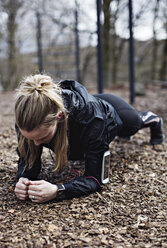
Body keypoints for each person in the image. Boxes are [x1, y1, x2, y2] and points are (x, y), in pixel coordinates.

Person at [14, 74, 164, 203]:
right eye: (30, 138)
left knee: (133, 125)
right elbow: (28, 162)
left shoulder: (93, 119)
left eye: (43, 137)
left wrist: (58, 190)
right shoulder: (28, 118)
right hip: (80, 113)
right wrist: (23, 178)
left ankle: (152, 119)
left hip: (112, 113)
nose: (36, 143)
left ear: (59, 117)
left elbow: (96, 179)